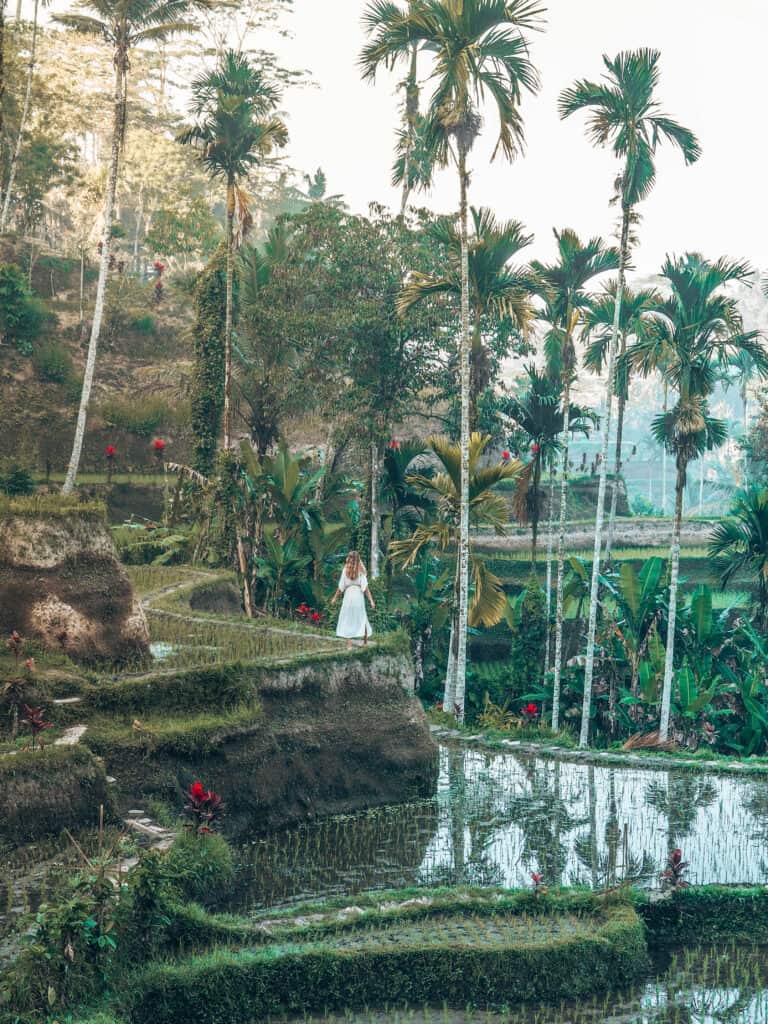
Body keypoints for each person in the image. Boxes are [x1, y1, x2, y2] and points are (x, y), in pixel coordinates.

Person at [331, 550, 375, 649]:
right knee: (362, 617)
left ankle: (349, 645)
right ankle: (365, 642)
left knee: (347, 619)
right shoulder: (361, 570)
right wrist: (371, 600)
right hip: (358, 596)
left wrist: (334, 598)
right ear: (358, 559)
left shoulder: (345, 569)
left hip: (348, 596)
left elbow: (340, 587)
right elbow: (366, 588)